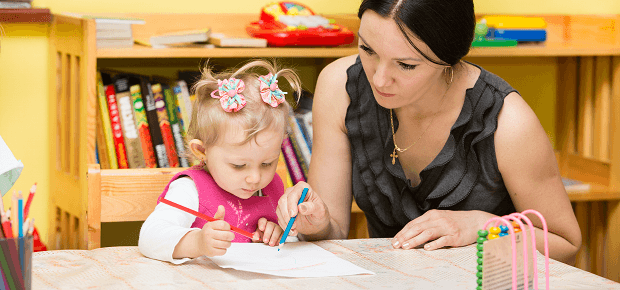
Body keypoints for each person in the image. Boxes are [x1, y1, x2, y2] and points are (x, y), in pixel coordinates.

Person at [276, 0, 582, 264]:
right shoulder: (339, 87)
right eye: (367, 50)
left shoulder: (507, 121)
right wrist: (313, 221)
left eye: (406, 65)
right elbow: (335, 232)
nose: (380, 80)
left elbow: (566, 244)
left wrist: (483, 227)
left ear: (448, 58)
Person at [139, 59, 301, 263]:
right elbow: (150, 237)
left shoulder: (274, 187)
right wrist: (197, 242)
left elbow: (295, 248)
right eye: (239, 165)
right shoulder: (190, 189)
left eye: (267, 163)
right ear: (202, 151)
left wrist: (279, 235)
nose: (255, 178)